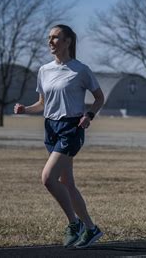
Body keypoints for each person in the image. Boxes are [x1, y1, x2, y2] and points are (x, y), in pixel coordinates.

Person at [14, 24, 105, 249]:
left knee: (47, 178)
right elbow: (42, 104)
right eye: (49, 38)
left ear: (68, 42)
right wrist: (25, 109)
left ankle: (75, 224)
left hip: (71, 128)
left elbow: (99, 98)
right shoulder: (44, 70)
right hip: (51, 128)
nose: (50, 42)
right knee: (67, 183)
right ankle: (91, 229)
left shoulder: (80, 70)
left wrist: (89, 115)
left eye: (55, 38)